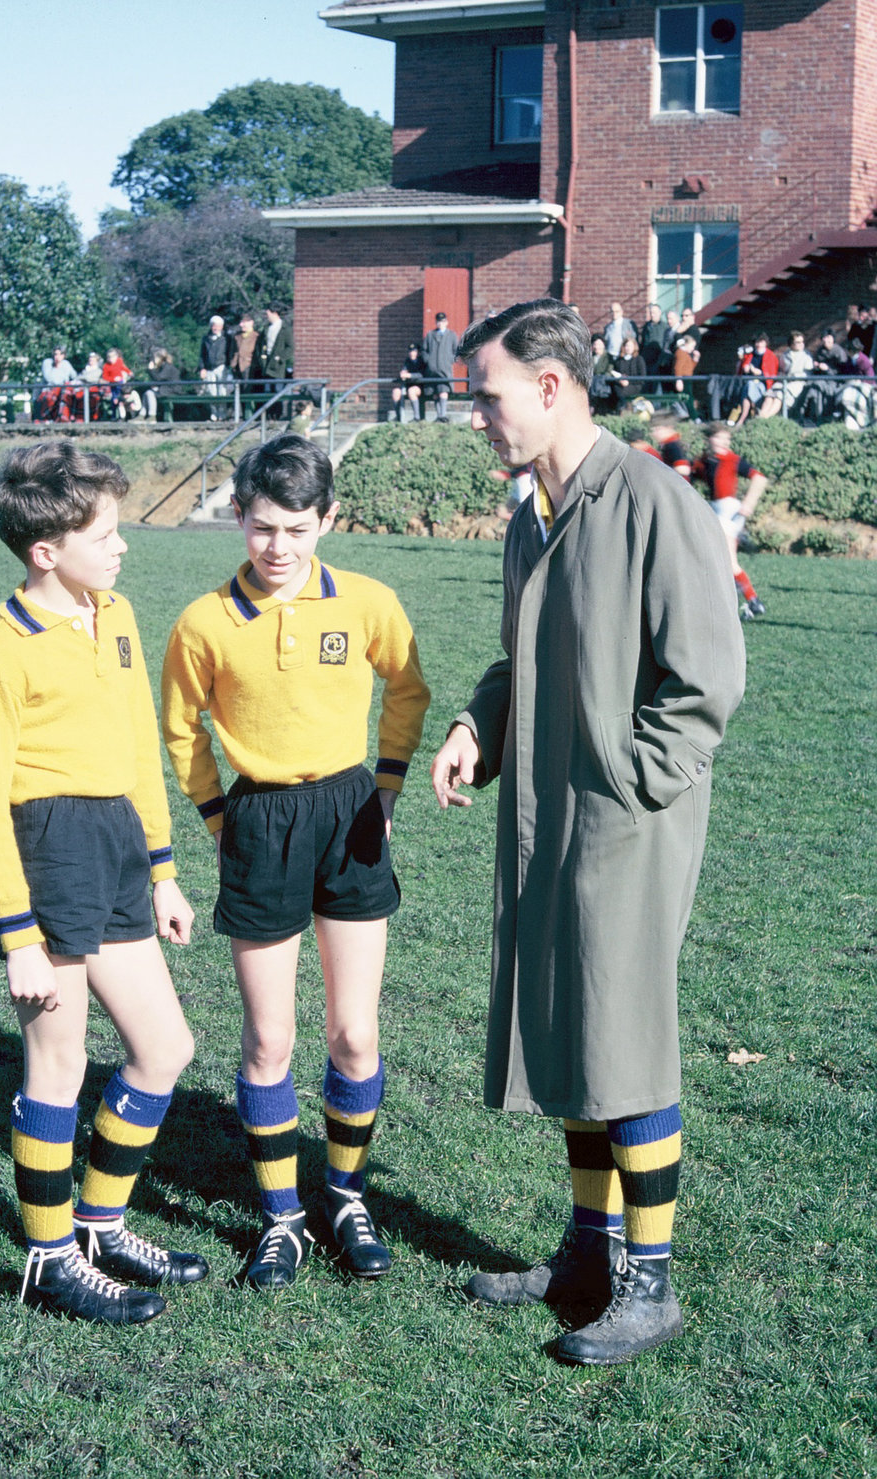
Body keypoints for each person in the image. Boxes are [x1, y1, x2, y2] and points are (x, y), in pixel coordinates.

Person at [429, 299, 745, 1366]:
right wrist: (482, 724)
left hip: (624, 820)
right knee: (568, 1025)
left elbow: (706, 679)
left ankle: (648, 1287)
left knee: (626, 1036)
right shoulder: (534, 512)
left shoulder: (652, 500)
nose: (476, 416)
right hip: (542, 811)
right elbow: (523, 657)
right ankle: (586, 1253)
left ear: (551, 388)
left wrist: (629, 781)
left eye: (487, 396)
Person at [161, 434, 430, 1293]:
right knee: (270, 1037)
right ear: (238, 515)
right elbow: (178, 728)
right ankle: (283, 1218)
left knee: (355, 1033)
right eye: (263, 526)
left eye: (298, 529)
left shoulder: (367, 602)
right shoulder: (204, 621)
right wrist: (218, 820)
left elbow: (410, 686)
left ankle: (346, 1195)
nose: (279, 547)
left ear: (328, 522)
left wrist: (385, 791)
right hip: (260, 818)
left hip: (348, 810)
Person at [0, 442, 207, 1325]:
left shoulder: (120, 614)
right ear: (45, 552)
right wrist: (18, 935)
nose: (123, 545)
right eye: (106, 532)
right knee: (57, 1062)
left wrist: (165, 871)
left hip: (116, 844)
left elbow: (142, 749)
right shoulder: (6, 645)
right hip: (48, 847)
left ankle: (99, 1220)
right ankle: (47, 1257)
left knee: (164, 1047)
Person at [692, 423, 768, 619]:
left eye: (726, 439)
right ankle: (747, 601)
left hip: (729, 511)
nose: (723, 442)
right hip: (715, 510)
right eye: (719, 438)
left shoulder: (732, 460)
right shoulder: (704, 461)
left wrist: (749, 503)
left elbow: (760, 479)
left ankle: (752, 601)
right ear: (710, 439)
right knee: (716, 559)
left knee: (727, 561)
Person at [732, 334, 781, 425]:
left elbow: (771, 374)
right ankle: (746, 416)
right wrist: (745, 368)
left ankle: (743, 418)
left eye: (761, 342)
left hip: (763, 384)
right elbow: (741, 370)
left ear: (765, 343)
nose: (759, 345)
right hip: (749, 382)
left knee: (749, 388)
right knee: (748, 387)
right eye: (757, 342)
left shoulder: (771, 356)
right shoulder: (750, 355)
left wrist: (760, 373)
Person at [421, 312, 461, 422]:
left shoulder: (452, 335)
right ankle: (438, 415)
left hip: (445, 370)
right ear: (436, 322)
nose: (440, 323)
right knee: (435, 393)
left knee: (443, 391)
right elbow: (424, 351)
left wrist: (449, 360)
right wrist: (428, 360)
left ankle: (443, 415)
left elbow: (456, 351)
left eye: (443, 321)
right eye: (438, 321)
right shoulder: (430, 335)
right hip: (432, 370)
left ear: (446, 322)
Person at [259, 305, 294, 419]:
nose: (267, 316)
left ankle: (277, 415)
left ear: (275, 313)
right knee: (267, 390)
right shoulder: (267, 328)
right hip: (267, 365)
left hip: (278, 367)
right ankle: (269, 416)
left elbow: (290, 347)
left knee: (278, 390)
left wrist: (280, 358)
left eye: (268, 313)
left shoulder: (285, 328)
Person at [230, 312, 261, 419]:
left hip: (249, 367)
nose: (241, 325)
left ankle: (250, 415)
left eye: (244, 322)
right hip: (237, 367)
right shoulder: (237, 337)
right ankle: (241, 415)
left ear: (251, 323)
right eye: (241, 322)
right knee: (239, 392)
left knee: (249, 391)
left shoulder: (256, 336)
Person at [199, 315, 231, 422]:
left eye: (218, 326)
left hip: (221, 367)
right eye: (213, 326)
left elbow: (229, 353)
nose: (215, 328)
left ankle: (222, 414)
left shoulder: (226, 338)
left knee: (222, 391)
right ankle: (214, 414)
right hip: (209, 368)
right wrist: (202, 368)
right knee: (211, 392)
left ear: (222, 326)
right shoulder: (206, 338)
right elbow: (202, 355)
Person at [388, 343, 427, 422]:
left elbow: (422, 374)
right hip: (408, 386)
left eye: (414, 351)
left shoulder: (421, 361)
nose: (412, 353)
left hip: (419, 387)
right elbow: (404, 371)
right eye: (410, 351)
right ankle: (398, 417)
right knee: (396, 392)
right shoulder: (407, 361)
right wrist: (402, 373)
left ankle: (417, 418)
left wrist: (410, 375)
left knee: (411, 391)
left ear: (417, 352)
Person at [37, 348, 78, 422]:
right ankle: (47, 417)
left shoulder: (66, 364)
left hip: (63, 389)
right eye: (56, 354)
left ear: (63, 356)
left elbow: (74, 376)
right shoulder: (47, 363)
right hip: (50, 389)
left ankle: (66, 416)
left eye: (60, 354)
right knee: (50, 397)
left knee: (68, 394)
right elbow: (49, 378)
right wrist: (57, 367)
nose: (57, 357)